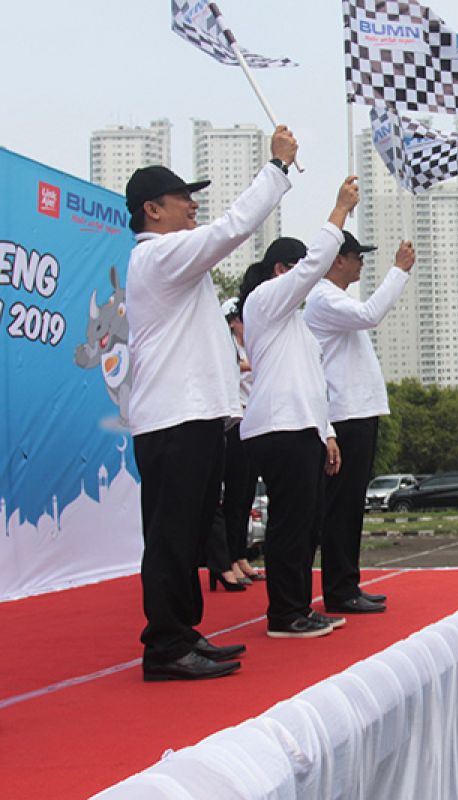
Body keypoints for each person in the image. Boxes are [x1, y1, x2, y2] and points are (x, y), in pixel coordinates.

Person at [124, 124, 296, 681]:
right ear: (152, 209)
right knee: (172, 536)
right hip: (172, 420)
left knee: (192, 532)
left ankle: (184, 633)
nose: (192, 205)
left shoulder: (177, 263)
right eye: (182, 197)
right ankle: (165, 647)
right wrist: (276, 168)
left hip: (195, 417)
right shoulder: (159, 256)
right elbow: (233, 228)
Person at [239, 177, 359, 639]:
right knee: (290, 524)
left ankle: (296, 607)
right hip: (276, 428)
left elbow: (313, 385)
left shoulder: (298, 325)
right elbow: (312, 267)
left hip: (302, 428)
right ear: (278, 271)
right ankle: (284, 615)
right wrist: (339, 209)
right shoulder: (264, 303)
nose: (303, 277)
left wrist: (327, 433)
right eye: (293, 269)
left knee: (308, 522)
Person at [303, 234, 416, 614]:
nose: (361, 263)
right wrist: (399, 271)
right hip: (344, 414)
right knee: (341, 506)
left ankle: (347, 583)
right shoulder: (323, 297)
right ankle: (339, 589)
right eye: (356, 257)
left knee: (351, 505)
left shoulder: (337, 299)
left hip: (357, 412)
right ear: (336, 261)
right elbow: (372, 314)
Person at [221, 297, 263, 584]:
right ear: (232, 322)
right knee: (234, 495)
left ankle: (241, 555)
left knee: (247, 492)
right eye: (240, 318)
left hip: (254, 421)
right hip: (235, 421)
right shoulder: (227, 349)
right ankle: (228, 557)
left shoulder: (254, 345)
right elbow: (234, 373)